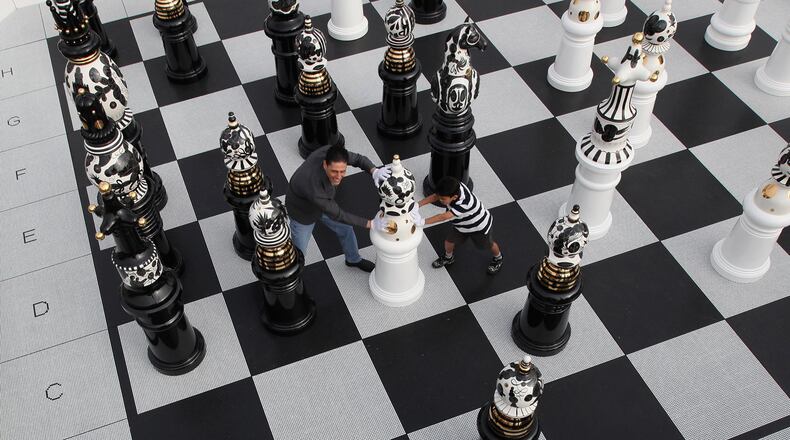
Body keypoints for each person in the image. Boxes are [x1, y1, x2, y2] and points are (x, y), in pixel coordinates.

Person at [286, 145, 390, 272]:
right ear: (325, 164)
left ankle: (353, 259)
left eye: (343, 171)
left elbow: (358, 159)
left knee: (345, 228)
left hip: (324, 203)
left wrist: (374, 170)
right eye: (334, 171)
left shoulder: (332, 154)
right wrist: (371, 224)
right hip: (302, 214)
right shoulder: (312, 185)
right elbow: (338, 214)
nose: (339, 176)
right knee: (299, 254)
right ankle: (294, 278)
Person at [415, 176, 503, 275]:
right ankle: (449, 258)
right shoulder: (454, 188)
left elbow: (443, 217)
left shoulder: (465, 203)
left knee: (488, 244)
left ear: (455, 197)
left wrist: (422, 222)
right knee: (449, 241)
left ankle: (498, 258)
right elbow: (436, 196)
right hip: (462, 225)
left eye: (443, 199)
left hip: (479, 227)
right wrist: (418, 205)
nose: (440, 200)